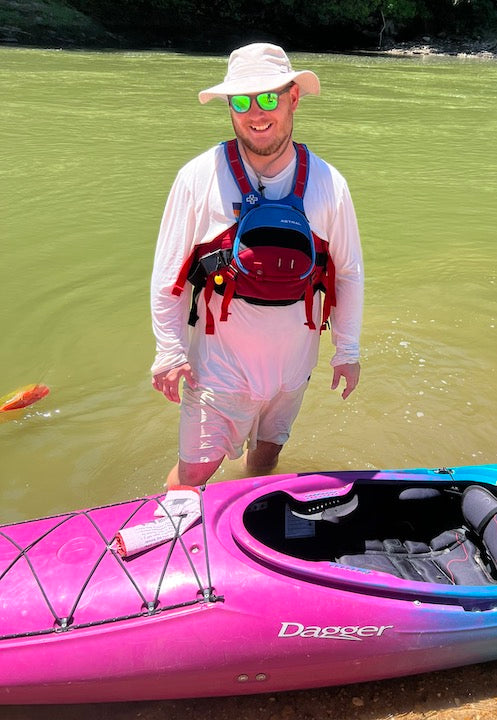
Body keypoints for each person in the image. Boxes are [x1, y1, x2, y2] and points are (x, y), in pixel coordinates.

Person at [151, 43, 363, 488]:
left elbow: (347, 273)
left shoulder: (329, 183)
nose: (256, 112)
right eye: (242, 100)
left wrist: (348, 350)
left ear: (293, 98)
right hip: (219, 370)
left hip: (292, 370)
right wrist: (169, 351)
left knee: (264, 464)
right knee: (190, 480)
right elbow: (169, 277)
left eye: (268, 97)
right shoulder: (198, 177)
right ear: (230, 107)